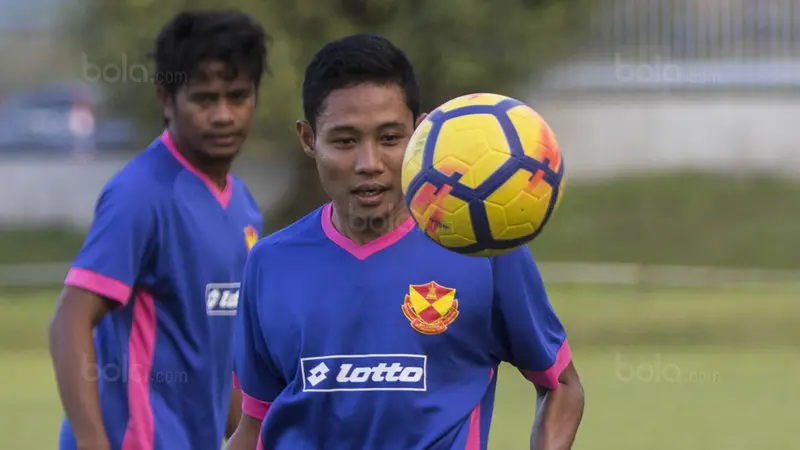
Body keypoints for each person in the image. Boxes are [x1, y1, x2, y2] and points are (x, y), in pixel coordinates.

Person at [226, 34, 585, 450]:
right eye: (344, 141)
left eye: (390, 138)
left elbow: (561, 385)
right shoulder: (270, 263)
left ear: (420, 133)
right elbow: (255, 426)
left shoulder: (482, 249)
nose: (369, 163)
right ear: (309, 139)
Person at [48, 10, 268, 450]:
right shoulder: (141, 193)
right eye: (204, 99)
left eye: (238, 96)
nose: (223, 115)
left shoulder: (243, 207)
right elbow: (69, 320)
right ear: (167, 99)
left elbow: (214, 357)